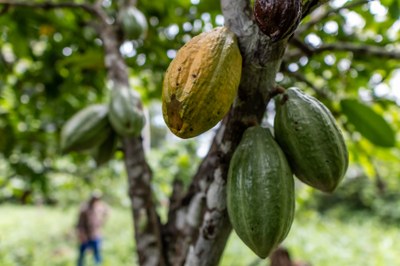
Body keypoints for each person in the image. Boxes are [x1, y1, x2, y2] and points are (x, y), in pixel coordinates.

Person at [75, 191, 109, 266]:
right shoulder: (85, 208)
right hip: (86, 235)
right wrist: (81, 235)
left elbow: (107, 212)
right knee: (82, 253)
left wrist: (102, 222)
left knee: (97, 253)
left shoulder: (100, 207)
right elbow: (80, 223)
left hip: (96, 234)